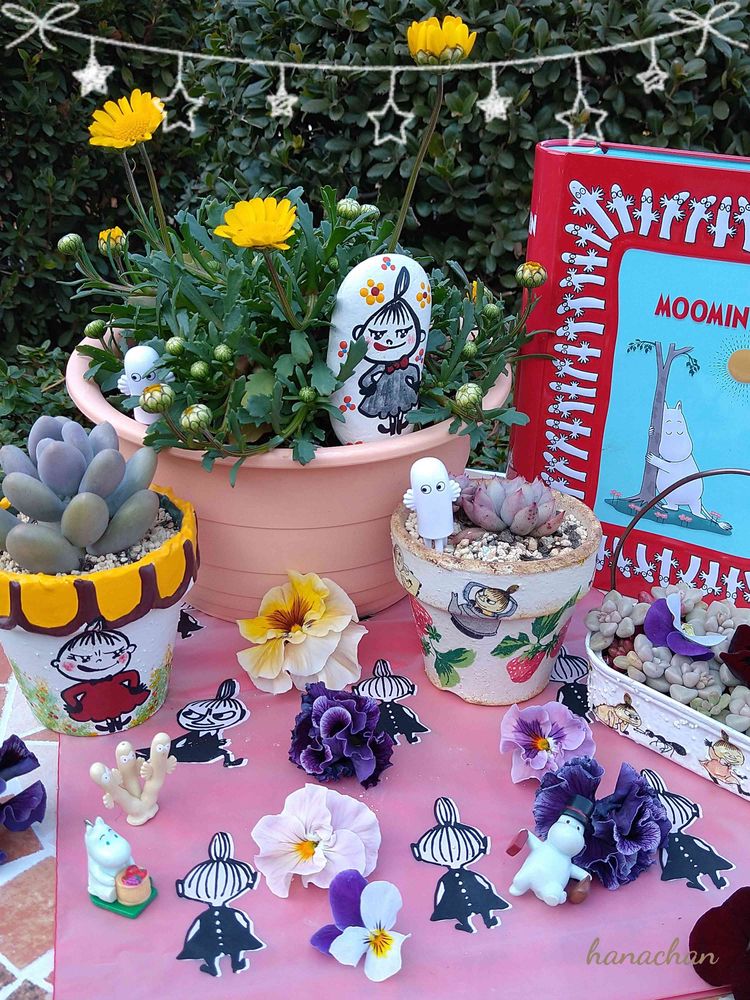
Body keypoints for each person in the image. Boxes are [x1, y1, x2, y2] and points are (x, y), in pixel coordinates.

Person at [411, 797, 509, 933]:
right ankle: (467, 924)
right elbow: (441, 890)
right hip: (455, 898)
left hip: (475, 893)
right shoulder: (447, 879)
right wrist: (439, 902)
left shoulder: (466, 876)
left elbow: (481, 881)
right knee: (459, 910)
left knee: (483, 904)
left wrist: (487, 888)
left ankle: (488, 919)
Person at [176, 832, 264, 977]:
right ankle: (222, 965)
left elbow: (195, 927)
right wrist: (246, 930)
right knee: (220, 948)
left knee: (226, 947)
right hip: (221, 936)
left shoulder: (207, 917)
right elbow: (244, 921)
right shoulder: (228, 914)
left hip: (221, 936)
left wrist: (189, 941)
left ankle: (232, 963)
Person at [354, 266, 425, 435]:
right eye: (378, 334)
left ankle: (397, 426)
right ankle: (392, 426)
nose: (389, 340)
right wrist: (367, 385)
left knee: (400, 405)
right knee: (386, 406)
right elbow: (369, 376)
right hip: (384, 386)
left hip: (401, 387)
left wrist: (416, 381)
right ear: (358, 335)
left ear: (420, 335)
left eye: (402, 333)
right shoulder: (381, 367)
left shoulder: (406, 365)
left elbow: (413, 371)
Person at [52, 619, 147, 733]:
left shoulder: (112, 680)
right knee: (103, 710)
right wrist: (76, 706)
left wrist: (134, 690)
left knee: (118, 705)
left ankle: (117, 722)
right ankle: (110, 724)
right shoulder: (89, 686)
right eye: (84, 659)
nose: (99, 661)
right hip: (97, 700)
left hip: (116, 693)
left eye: (115, 654)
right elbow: (69, 694)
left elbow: (132, 675)